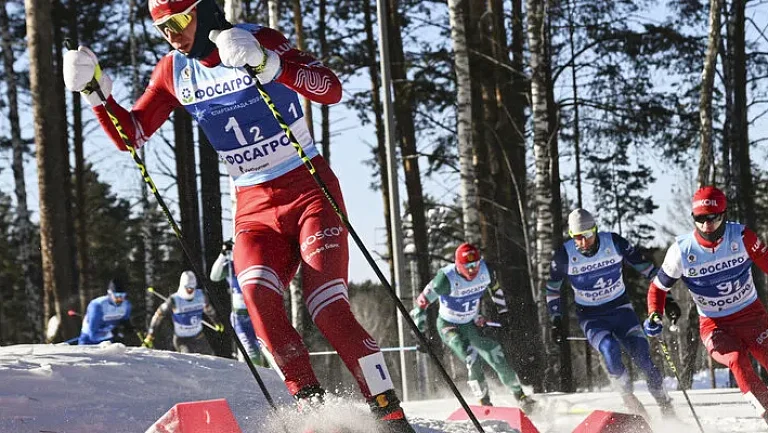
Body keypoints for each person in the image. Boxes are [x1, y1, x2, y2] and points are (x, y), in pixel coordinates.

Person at [61, 2, 416, 431]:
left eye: (177, 21)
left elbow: (330, 89)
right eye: (160, 27)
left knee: (327, 307)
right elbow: (132, 133)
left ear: (204, 11)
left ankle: (389, 413)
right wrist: (95, 93)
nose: (170, 34)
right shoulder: (174, 71)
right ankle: (315, 412)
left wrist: (270, 64)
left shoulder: (259, 39)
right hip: (253, 208)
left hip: (309, 191)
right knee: (255, 303)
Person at [645, 186, 768, 424]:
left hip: (752, 316)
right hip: (714, 325)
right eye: (700, 218)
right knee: (735, 359)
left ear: (723, 214)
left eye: (712, 217)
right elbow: (658, 289)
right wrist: (654, 315)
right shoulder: (681, 251)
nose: (706, 224)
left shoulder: (742, 237)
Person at [546, 209, 680, 417]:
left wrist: (668, 299)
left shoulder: (614, 243)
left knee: (643, 357)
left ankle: (665, 405)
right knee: (609, 350)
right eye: (577, 237)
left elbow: (648, 270)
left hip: (621, 310)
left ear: (596, 230)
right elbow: (553, 288)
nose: (583, 243)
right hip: (591, 317)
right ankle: (628, 399)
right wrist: (556, 319)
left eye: (588, 235)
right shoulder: (565, 255)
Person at [410, 243, 536, 411]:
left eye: (475, 264)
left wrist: (504, 314)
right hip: (449, 325)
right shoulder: (445, 278)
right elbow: (421, 303)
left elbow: (496, 289)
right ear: (458, 265)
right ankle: (484, 404)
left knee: (495, 354)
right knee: (472, 357)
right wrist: (420, 331)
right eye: (467, 266)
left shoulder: (485, 271)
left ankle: (520, 396)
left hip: (470, 322)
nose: (472, 270)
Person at [210, 239, 268, 367]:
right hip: (240, 319)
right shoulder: (231, 266)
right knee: (252, 354)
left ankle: (275, 380)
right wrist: (223, 254)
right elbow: (214, 276)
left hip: (257, 315)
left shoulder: (255, 262)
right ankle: (257, 380)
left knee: (268, 352)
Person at [143, 270, 223, 355]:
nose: (190, 290)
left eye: (192, 288)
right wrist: (150, 335)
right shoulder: (174, 300)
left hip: (199, 336)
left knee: (212, 359)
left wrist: (216, 321)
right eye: (188, 288)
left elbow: (209, 309)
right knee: (191, 358)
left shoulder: (201, 296)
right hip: (182, 340)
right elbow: (158, 315)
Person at [78, 280, 135, 345]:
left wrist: (126, 328)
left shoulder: (126, 305)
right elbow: (93, 336)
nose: (120, 299)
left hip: (108, 341)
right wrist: (113, 334)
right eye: (116, 295)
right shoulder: (97, 305)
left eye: (122, 295)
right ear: (109, 293)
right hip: (88, 341)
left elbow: (124, 321)